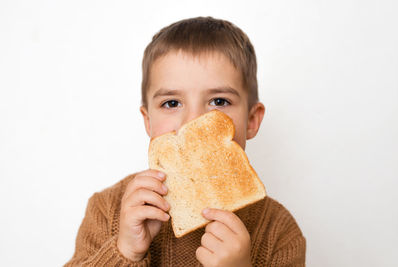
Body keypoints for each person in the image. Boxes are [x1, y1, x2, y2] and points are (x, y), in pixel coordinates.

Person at [64, 16, 306, 267]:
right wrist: (125, 252)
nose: (194, 123)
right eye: (171, 103)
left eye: (219, 101)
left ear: (251, 120)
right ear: (148, 121)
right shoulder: (108, 210)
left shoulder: (279, 231)